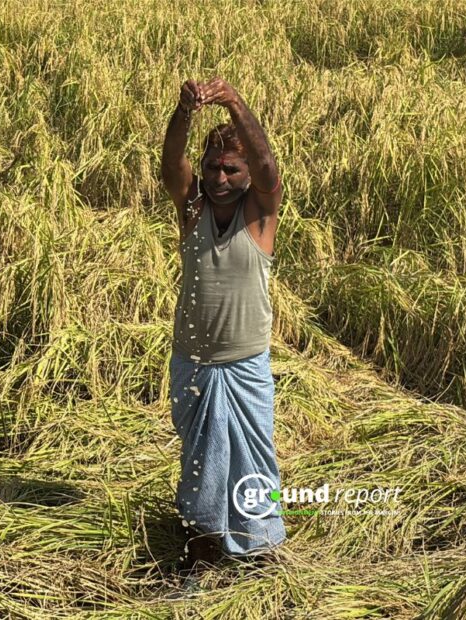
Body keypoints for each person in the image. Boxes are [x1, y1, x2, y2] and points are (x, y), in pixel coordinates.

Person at [160, 78, 286, 570]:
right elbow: (172, 164)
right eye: (212, 166)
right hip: (192, 363)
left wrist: (234, 103)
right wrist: (184, 112)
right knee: (200, 463)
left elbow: (269, 168)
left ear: (246, 174)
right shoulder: (192, 209)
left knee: (253, 459)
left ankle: (259, 547)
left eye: (231, 169)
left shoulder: (258, 214)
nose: (218, 177)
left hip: (243, 366)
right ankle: (204, 543)